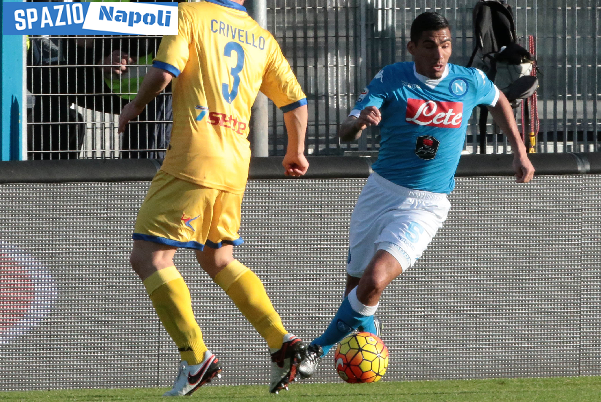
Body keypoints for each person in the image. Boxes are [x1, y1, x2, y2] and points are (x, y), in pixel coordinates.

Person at [297, 11, 535, 379]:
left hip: (426, 204)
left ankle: (315, 349)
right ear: (412, 47)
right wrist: (360, 123)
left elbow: (499, 98)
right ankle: (366, 360)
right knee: (358, 288)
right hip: (380, 192)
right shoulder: (392, 78)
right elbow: (345, 131)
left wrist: (519, 150)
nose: (440, 55)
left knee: (374, 281)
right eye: (429, 46)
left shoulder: (468, 80)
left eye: (446, 45)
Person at [118, 0, 310, 396]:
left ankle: (196, 359)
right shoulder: (260, 36)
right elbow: (295, 101)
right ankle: (281, 341)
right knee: (217, 258)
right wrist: (296, 151)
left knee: (150, 258)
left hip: (193, 158)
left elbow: (164, 71)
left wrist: (134, 106)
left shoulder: (189, 13)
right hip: (235, 165)